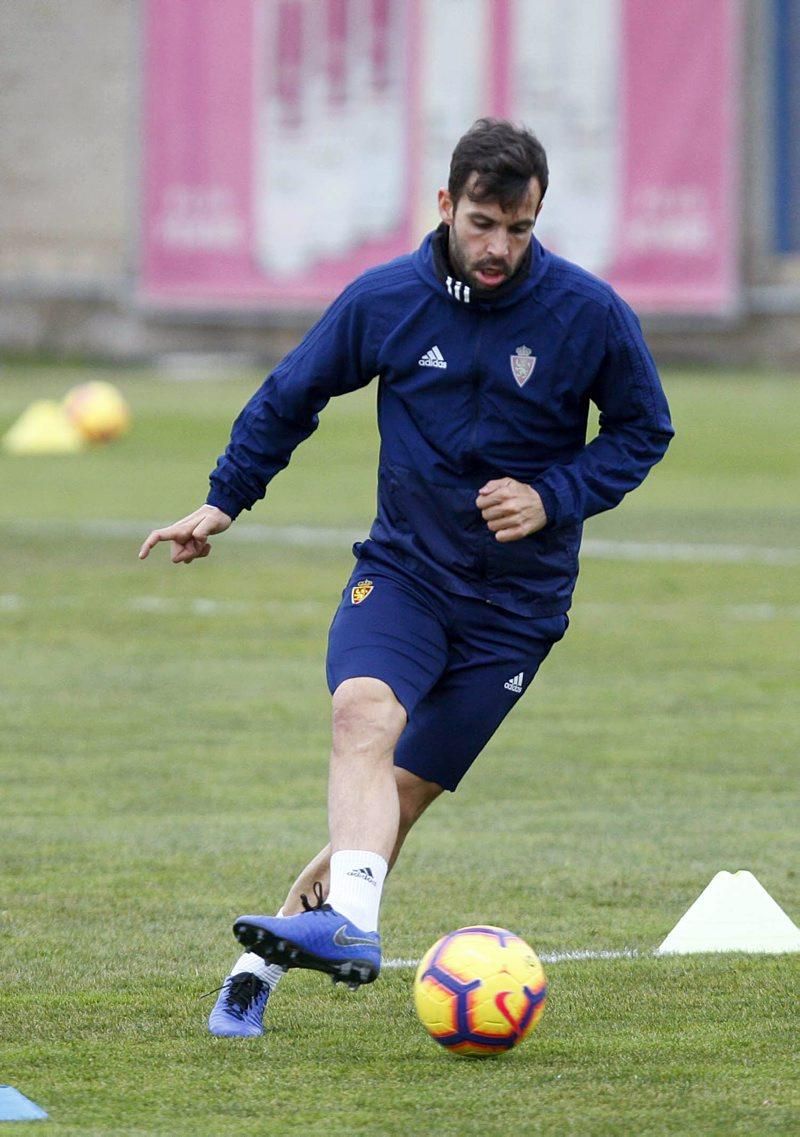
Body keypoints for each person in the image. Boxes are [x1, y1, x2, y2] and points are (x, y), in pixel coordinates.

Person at [139, 118, 673, 1037]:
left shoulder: (587, 314)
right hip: (406, 574)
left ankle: (258, 963)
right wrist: (225, 498)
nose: (499, 246)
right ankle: (353, 927)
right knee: (361, 716)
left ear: (538, 215)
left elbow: (643, 430)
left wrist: (555, 494)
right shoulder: (385, 300)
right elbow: (290, 393)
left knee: (395, 803)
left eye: (518, 226)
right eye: (480, 223)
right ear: (444, 205)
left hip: (517, 609)